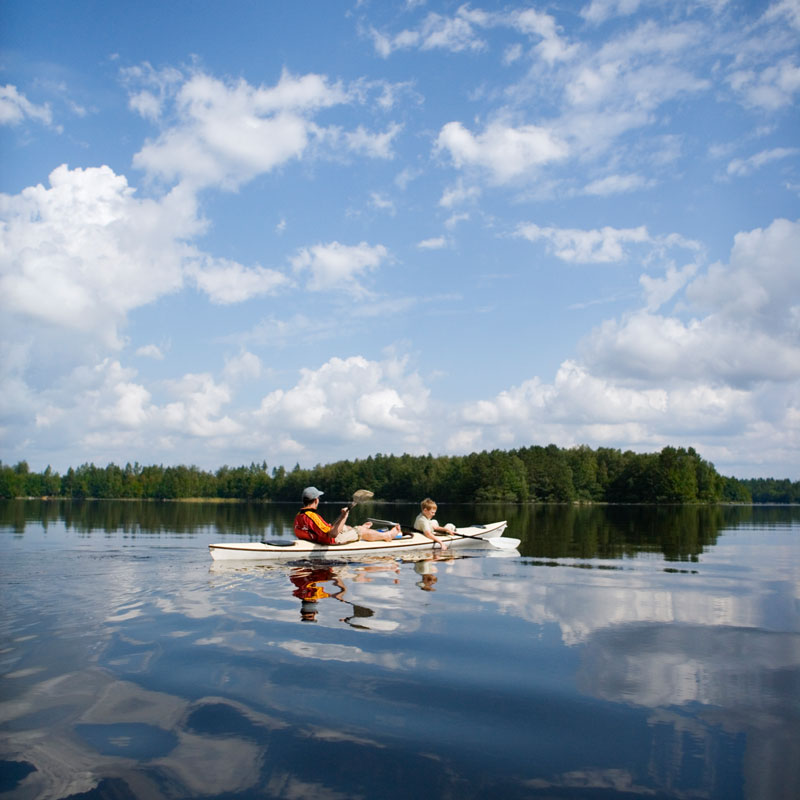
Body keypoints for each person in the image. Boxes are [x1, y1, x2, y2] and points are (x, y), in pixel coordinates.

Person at [294, 486, 399, 545]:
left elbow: (326, 529)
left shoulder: (299, 515)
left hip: (319, 538)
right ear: (316, 500)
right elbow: (333, 534)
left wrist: (341, 517)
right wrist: (345, 516)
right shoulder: (313, 516)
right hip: (333, 541)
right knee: (360, 531)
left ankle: (359, 529)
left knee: (346, 527)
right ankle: (387, 536)